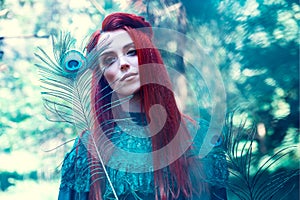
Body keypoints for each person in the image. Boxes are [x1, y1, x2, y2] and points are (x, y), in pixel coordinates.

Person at [57, 12, 228, 200]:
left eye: (132, 52)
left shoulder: (198, 136)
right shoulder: (88, 149)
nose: (123, 64)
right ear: (103, 77)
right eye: (109, 60)